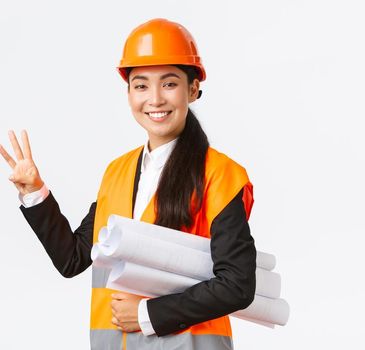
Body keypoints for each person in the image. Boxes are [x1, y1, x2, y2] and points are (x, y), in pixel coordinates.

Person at [0, 18, 256, 349]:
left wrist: (148, 314)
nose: (155, 99)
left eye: (169, 84)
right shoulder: (117, 172)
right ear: (129, 92)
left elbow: (237, 284)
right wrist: (34, 191)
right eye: (141, 85)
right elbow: (73, 259)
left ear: (192, 89)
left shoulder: (220, 174)